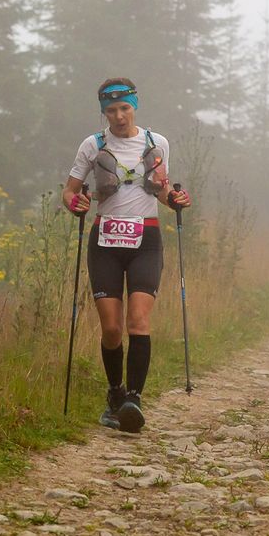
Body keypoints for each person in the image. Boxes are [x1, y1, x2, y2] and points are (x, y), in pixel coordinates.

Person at [62, 78, 191, 433]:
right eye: (111, 110)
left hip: (145, 239)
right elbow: (69, 190)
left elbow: (162, 189)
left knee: (138, 321)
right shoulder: (93, 145)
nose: (118, 116)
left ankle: (134, 398)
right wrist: (76, 204)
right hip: (105, 241)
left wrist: (175, 200)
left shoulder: (156, 143)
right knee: (113, 328)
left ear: (135, 105)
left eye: (124, 108)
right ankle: (115, 393)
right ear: (104, 112)